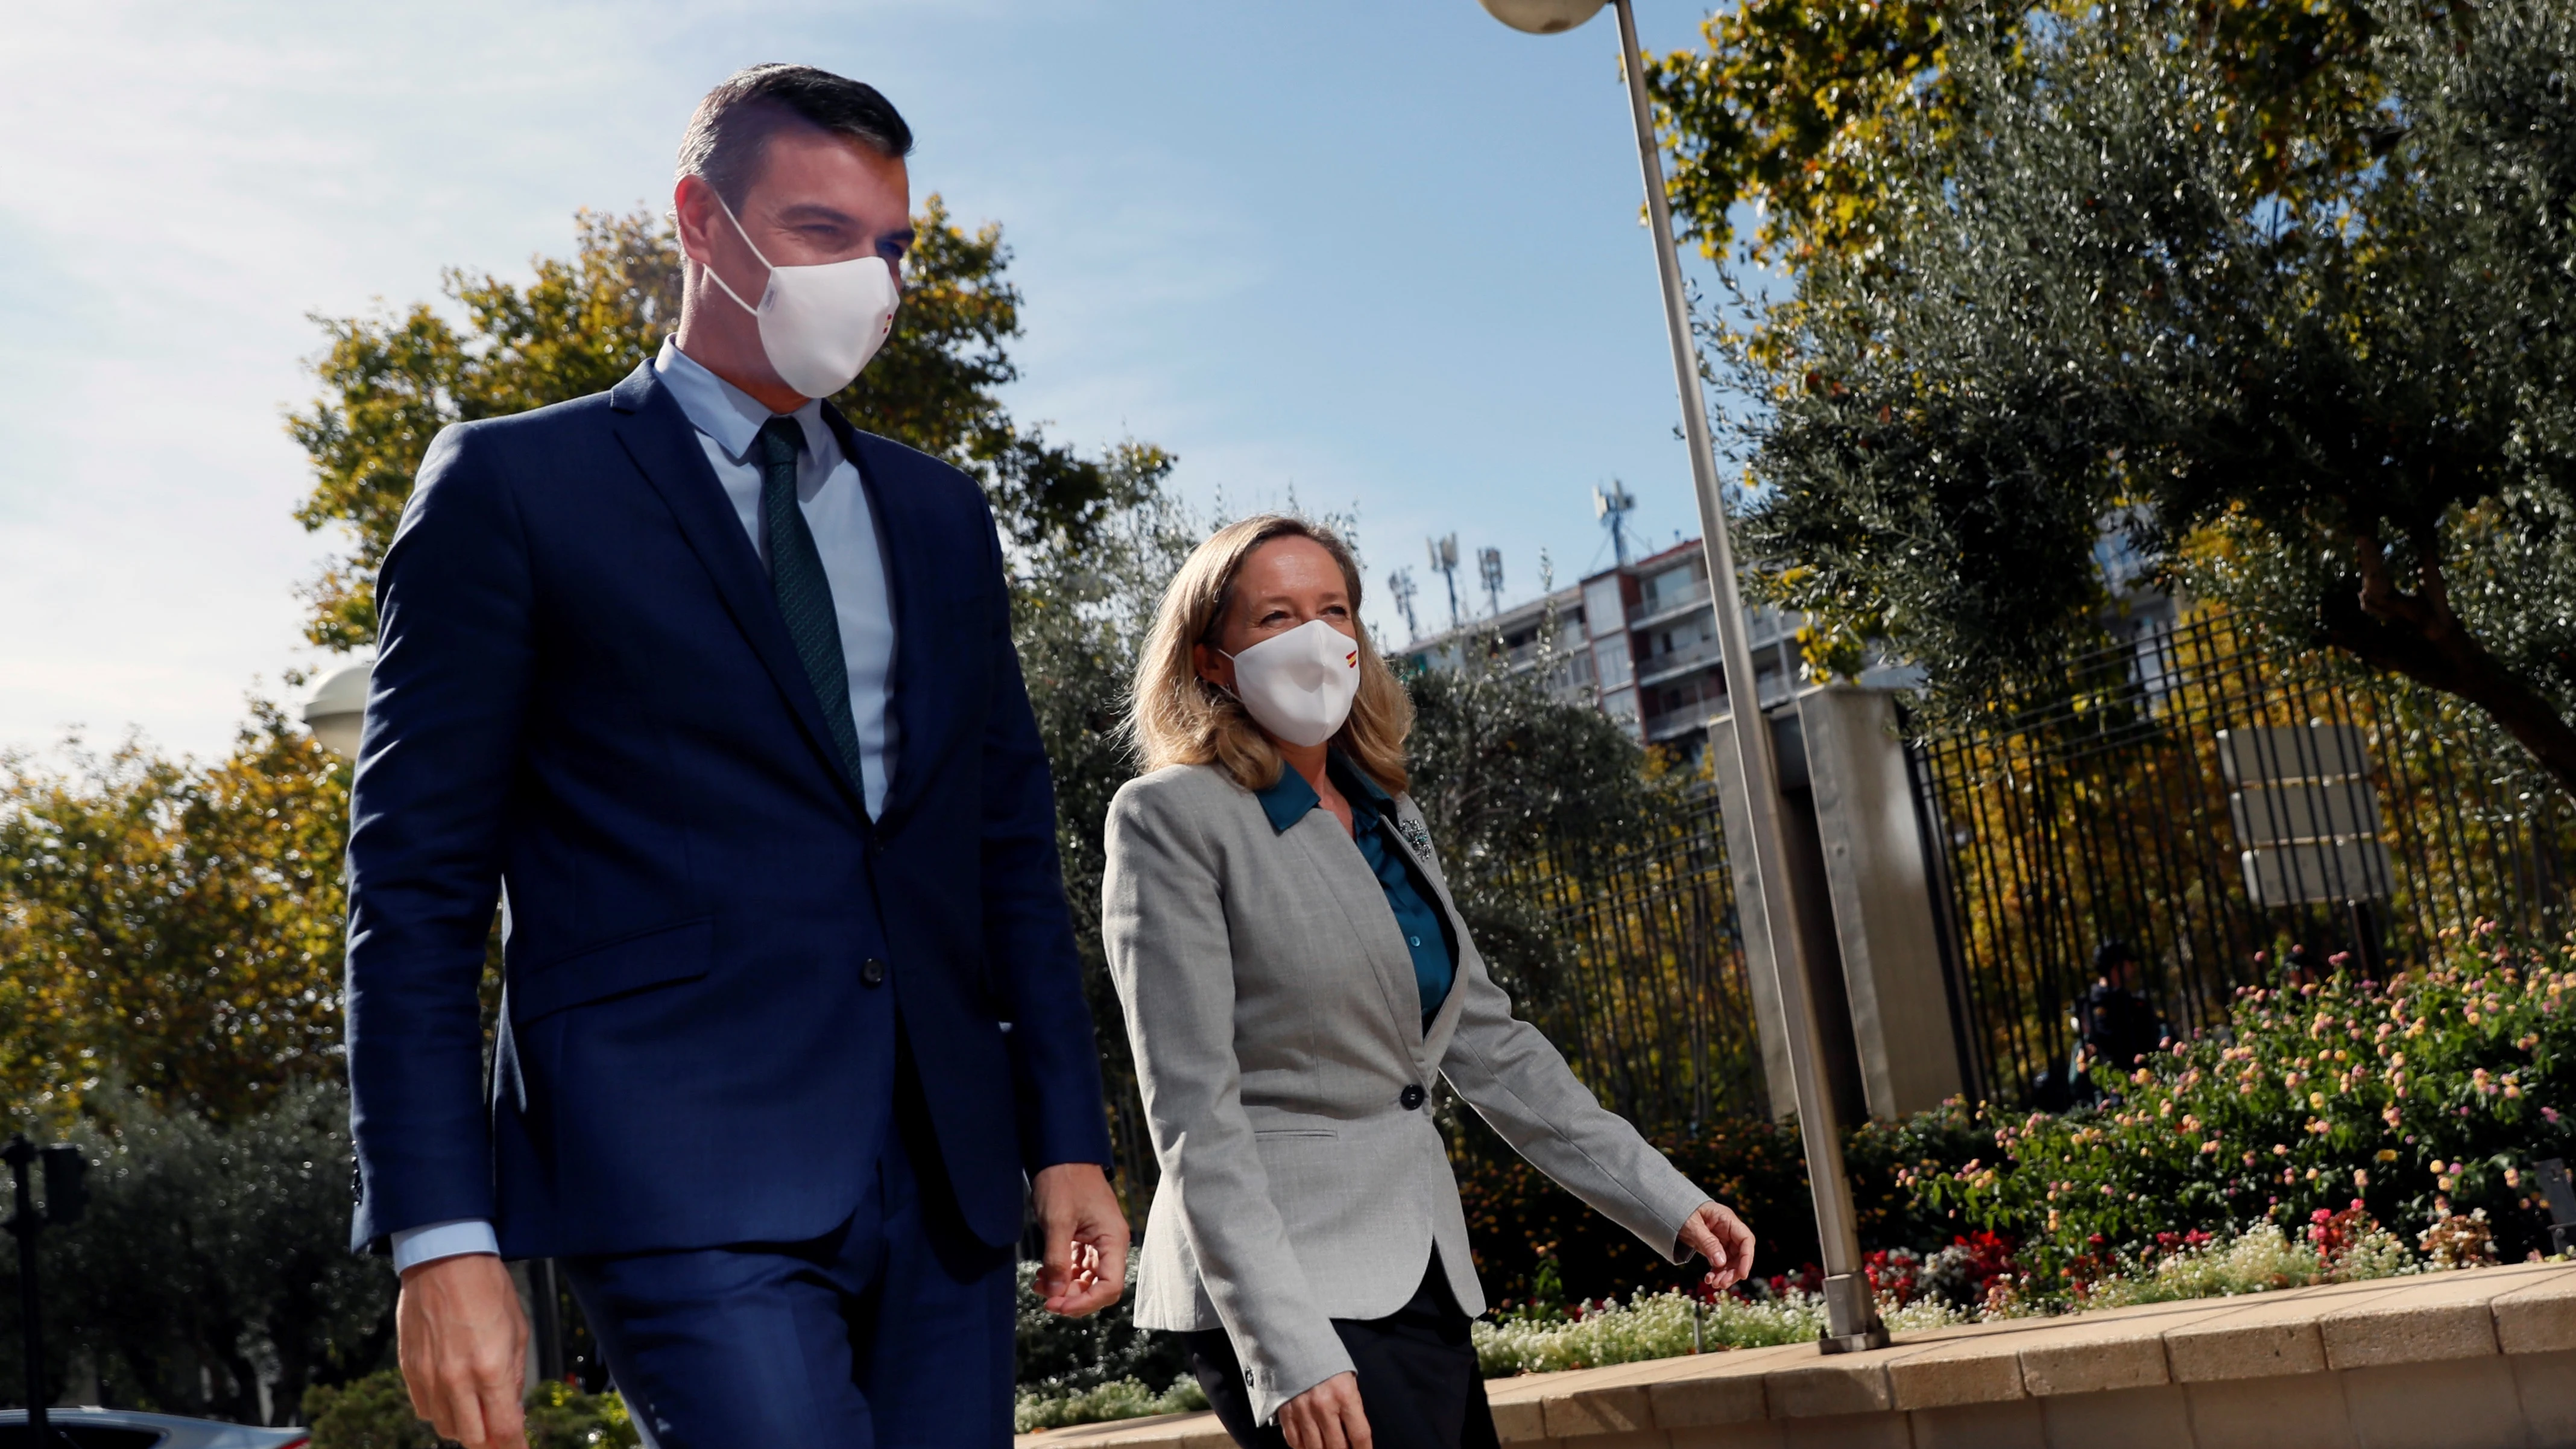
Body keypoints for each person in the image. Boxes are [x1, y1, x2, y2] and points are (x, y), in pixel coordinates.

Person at [343, 65, 1127, 1449]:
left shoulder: (941, 518)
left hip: (942, 1170)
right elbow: (413, 892)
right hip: (672, 1168)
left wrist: (1065, 1135)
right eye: (823, 232)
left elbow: (1006, 849)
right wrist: (437, 1230)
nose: (871, 280)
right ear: (702, 223)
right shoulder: (512, 488)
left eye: (891, 246)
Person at [1103, 517, 1757, 1449]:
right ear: (1212, 660)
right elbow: (1193, 1114)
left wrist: (1665, 1198)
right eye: (1275, 615)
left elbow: (1489, 1043)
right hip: (1289, 1284)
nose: (1315, 637)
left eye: (1334, 611)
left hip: (1414, 1272)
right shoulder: (1170, 816)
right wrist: (1287, 1345)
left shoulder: (1385, 811)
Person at [2076, 938, 2174, 1093]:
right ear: (2118, 966)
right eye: (2129, 963)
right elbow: (2111, 1044)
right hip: (2118, 1089)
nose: (2133, 968)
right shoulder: (2093, 1005)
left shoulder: (2133, 1001)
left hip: (2148, 1082)